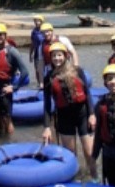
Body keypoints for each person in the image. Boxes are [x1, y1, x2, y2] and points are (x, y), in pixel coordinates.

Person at [41, 42, 96, 177]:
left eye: (59, 55)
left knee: (89, 153)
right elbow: (47, 104)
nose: (57, 58)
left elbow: (87, 93)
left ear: (65, 56)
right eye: (54, 56)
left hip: (82, 114)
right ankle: (76, 180)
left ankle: (94, 178)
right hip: (64, 116)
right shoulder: (49, 77)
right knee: (70, 154)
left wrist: (92, 114)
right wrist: (47, 127)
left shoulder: (77, 71)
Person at [0, 22, 29, 136]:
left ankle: (10, 142)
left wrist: (14, 87)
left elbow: (25, 72)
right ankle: (0, 140)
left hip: (4, 92)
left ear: (5, 35)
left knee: (7, 120)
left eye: (0, 34)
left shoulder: (12, 52)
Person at [28, 14, 46, 88]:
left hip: (44, 52)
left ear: (41, 22)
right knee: (37, 70)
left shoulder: (45, 30)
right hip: (37, 53)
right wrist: (30, 54)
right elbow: (32, 43)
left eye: (38, 21)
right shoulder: (34, 32)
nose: (36, 22)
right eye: (35, 21)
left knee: (44, 69)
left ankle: (46, 84)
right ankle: (39, 84)